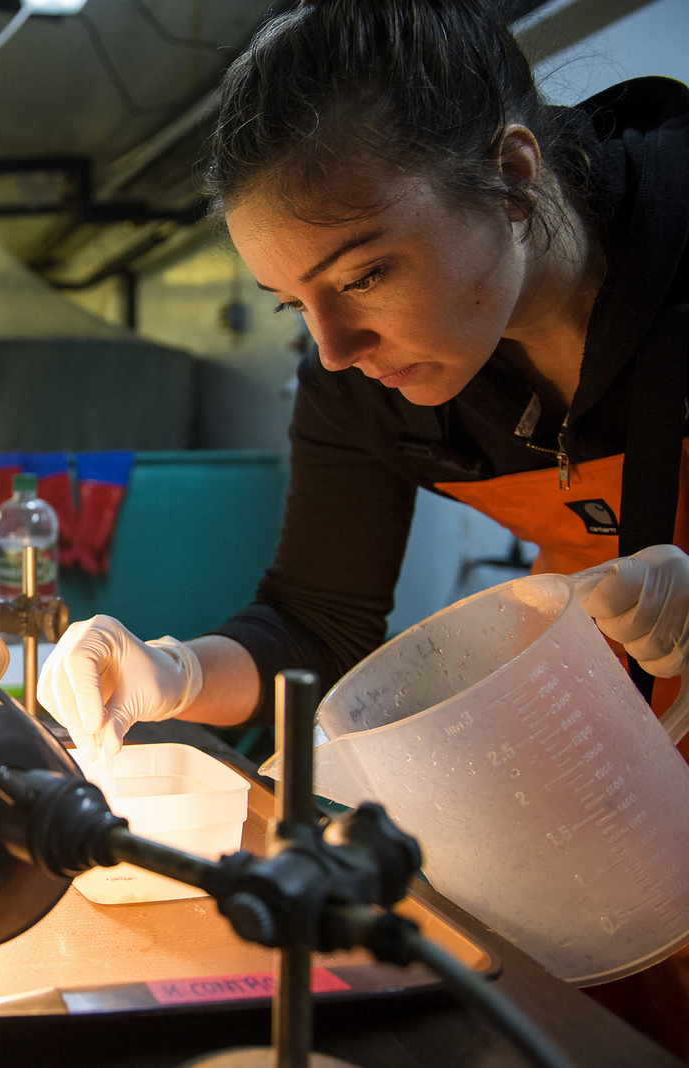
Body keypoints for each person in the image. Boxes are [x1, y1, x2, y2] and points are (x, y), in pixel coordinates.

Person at [38, 0, 689, 1051]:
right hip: (592, 796)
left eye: (365, 273)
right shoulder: (363, 385)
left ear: (514, 178)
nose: (335, 347)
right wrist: (170, 672)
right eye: (294, 302)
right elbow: (314, 621)